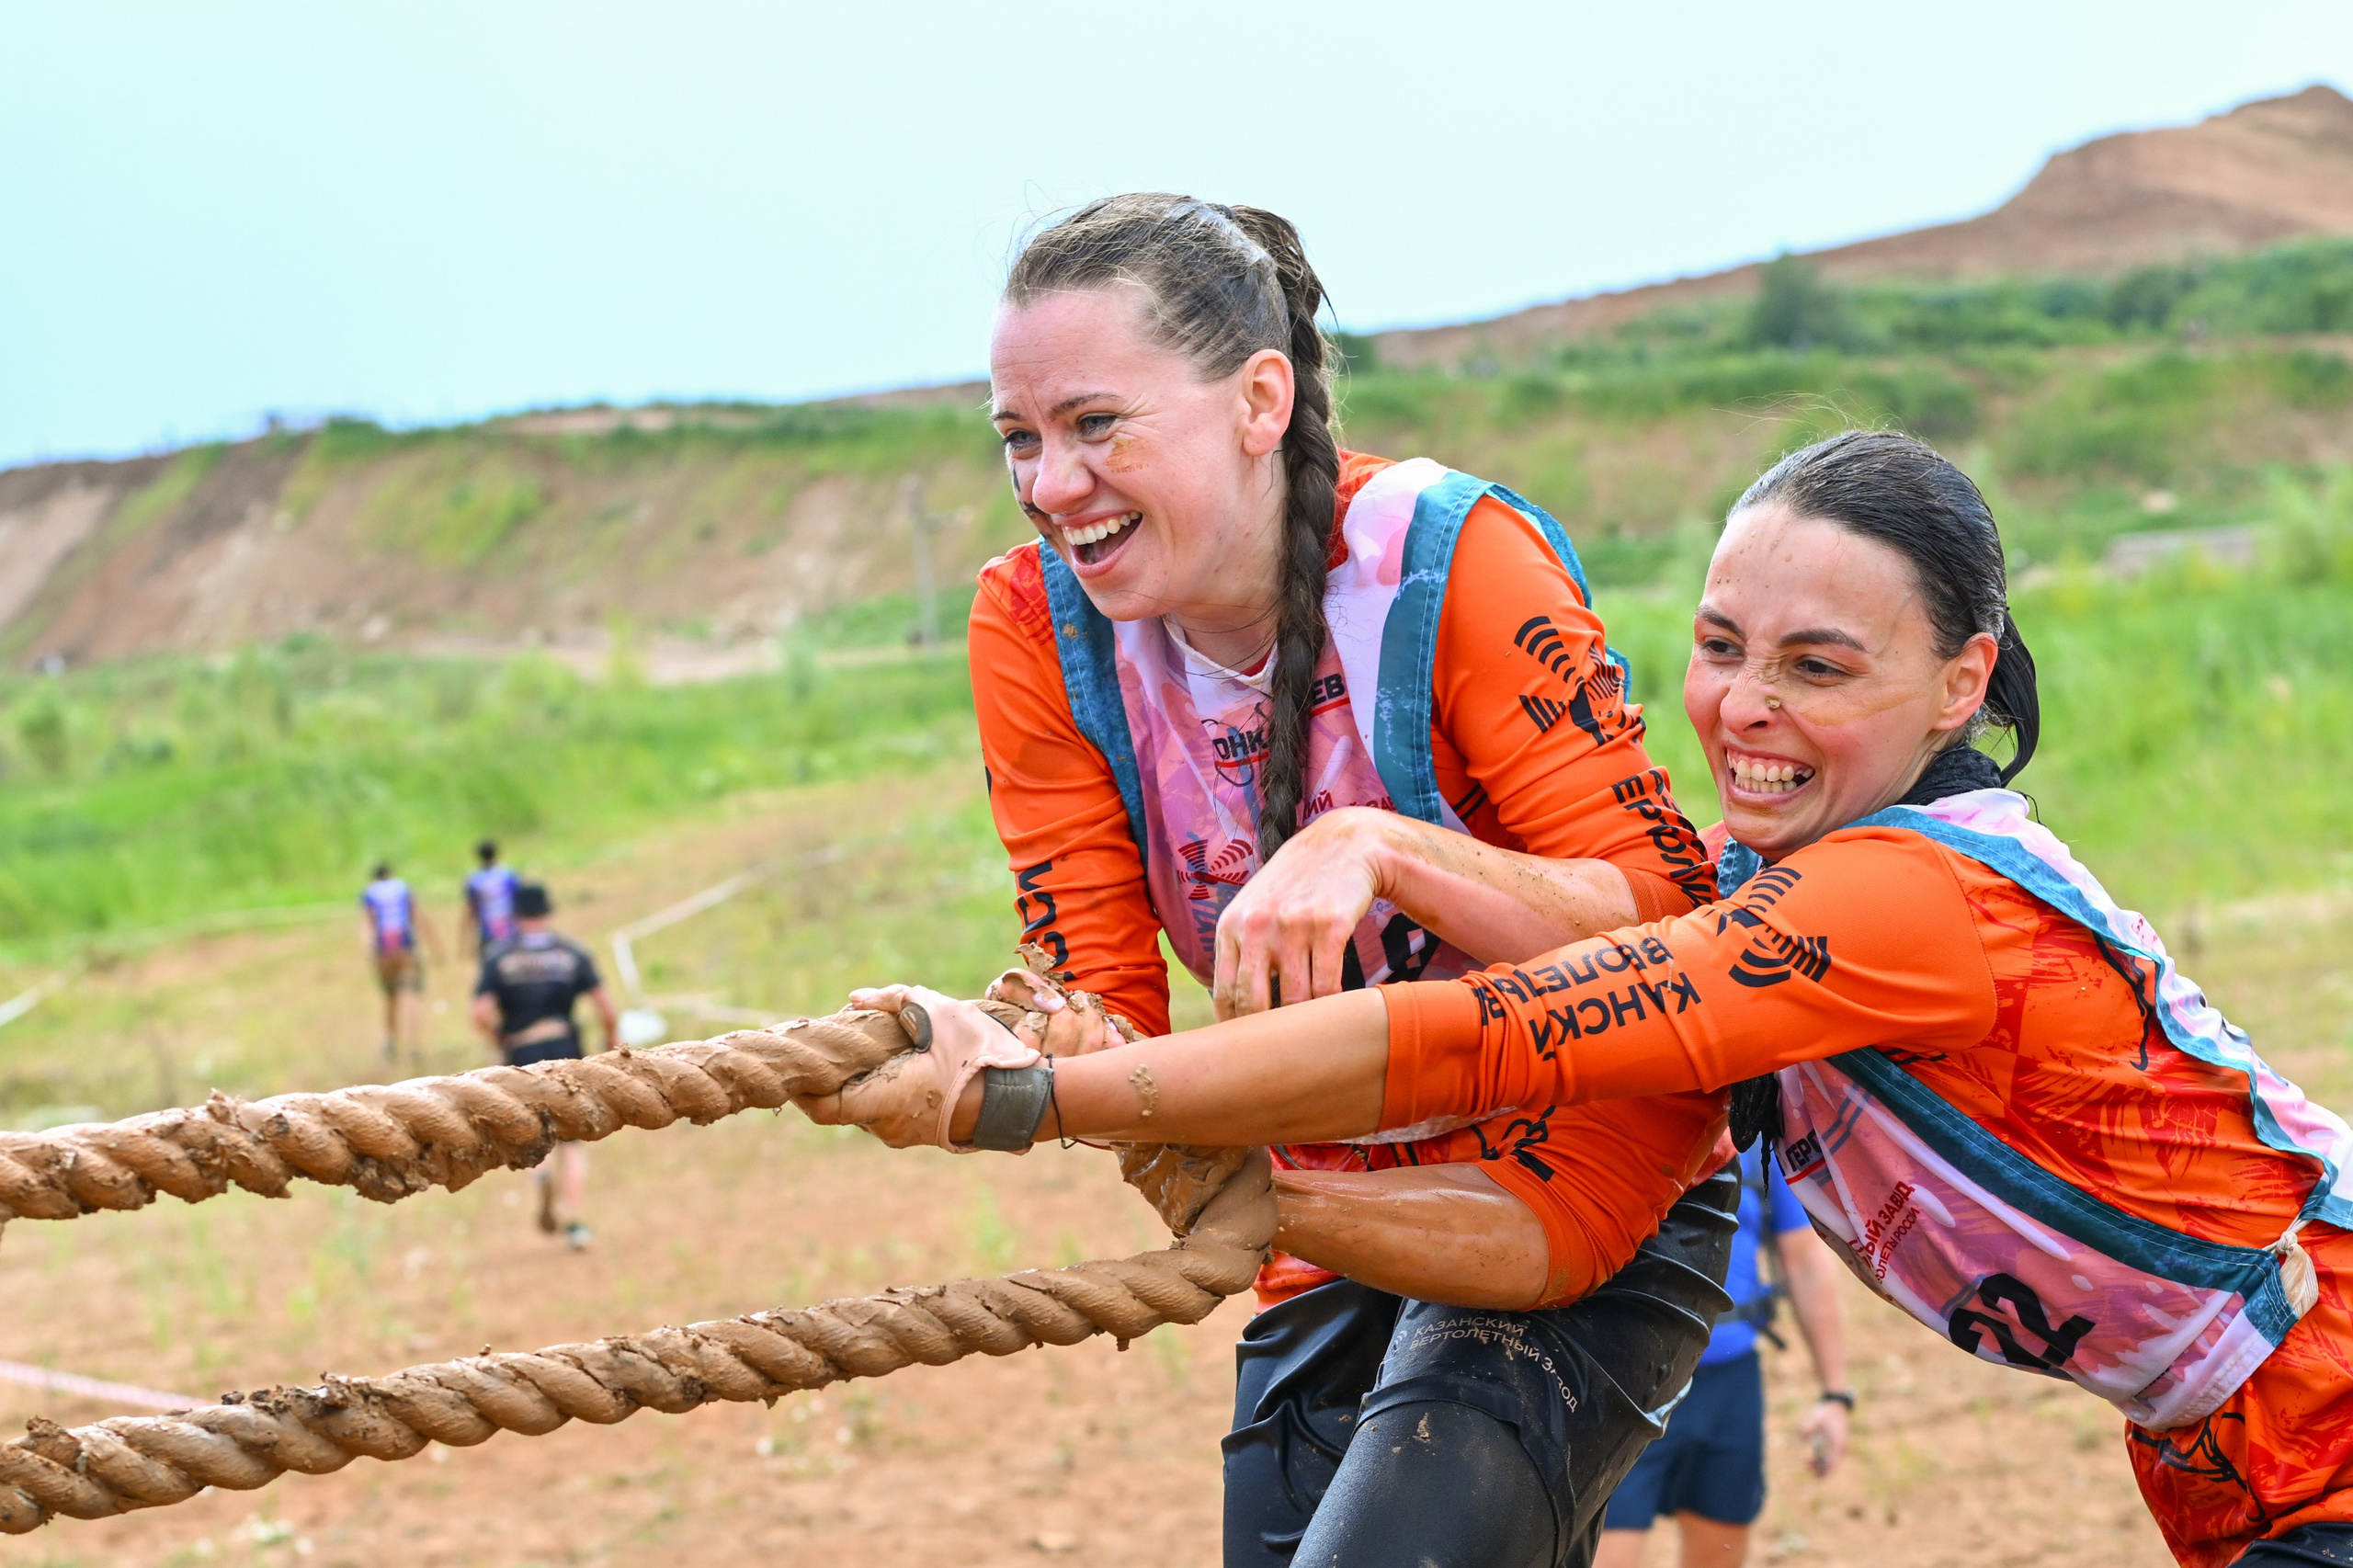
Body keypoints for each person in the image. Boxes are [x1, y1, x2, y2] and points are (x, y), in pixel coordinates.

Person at [809, 429, 2353, 1568]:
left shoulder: (1908, 901)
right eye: (1720, 646)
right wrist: (1354, 885)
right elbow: (1562, 962)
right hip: (2237, 1460)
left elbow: (1490, 1031)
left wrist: (1042, 1098)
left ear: (1962, 685)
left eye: (1820, 667)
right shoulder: (1789, 885)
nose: (1746, 709)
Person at [966, 192, 1737, 1568]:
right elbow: (1097, 986)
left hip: (1574, 1164)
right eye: (1018, 438)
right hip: (1326, 1207)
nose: (1050, 483)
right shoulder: (1034, 626)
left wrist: (1380, 844)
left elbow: (1675, 939)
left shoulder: (1442, 561)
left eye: (1096, 425)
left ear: (1261, 398)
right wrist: (1057, 1043)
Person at [1595, 1142, 1851, 1568]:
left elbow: (1805, 1261)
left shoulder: (1757, 1144)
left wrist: (1836, 1395)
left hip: (1729, 1387)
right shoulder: (1608, 1123)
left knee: (1721, 1555)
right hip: (1622, 1386)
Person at [472, 881, 616, 1249]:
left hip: (522, 1055)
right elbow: (608, 1011)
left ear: (516, 916)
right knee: (572, 1142)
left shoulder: (499, 957)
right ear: (547, 913)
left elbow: (480, 1013)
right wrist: (611, 1050)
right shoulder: (571, 953)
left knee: (537, 1135)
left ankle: (540, 1175)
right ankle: (577, 1224)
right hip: (566, 1048)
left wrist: (500, 1040)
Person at [360, 861, 442, 1068]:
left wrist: (370, 951)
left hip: (384, 951)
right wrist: (435, 947)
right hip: (406, 949)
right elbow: (419, 918)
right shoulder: (403, 889)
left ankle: (389, 1039)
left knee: (390, 997)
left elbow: (368, 924)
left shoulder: (370, 893)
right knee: (412, 995)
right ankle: (414, 1043)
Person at [463, 839, 520, 956]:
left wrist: (465, 940)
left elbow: (471, 909)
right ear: (498, 854)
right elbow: (519, 900)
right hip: (510, 929)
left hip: (487, 931)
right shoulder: (509, 875)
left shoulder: (474, 879)